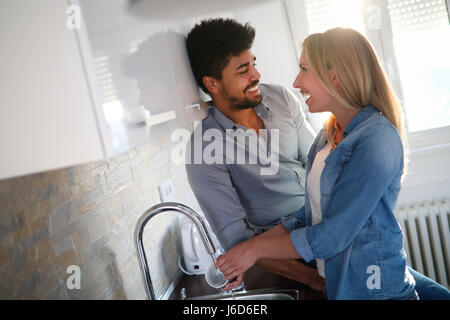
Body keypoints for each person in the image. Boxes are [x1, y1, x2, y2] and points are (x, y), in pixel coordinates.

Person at [216, 27, 450, 299]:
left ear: (334, 76)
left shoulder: (377, 138)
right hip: (342, 286)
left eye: (304, 69)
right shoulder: (329, 133)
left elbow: (332, 236)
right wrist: (250, 248)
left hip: (377, 291)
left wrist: (253, 251)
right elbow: (312, 210)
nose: (296, 82)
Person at [184, 18, 325, 291]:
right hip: (282, 262)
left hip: (324, 229)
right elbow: (237, 240)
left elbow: (316, 161)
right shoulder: (203, 150)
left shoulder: (281, 99)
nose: (256, 75)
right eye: (243, 71)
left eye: (254, 64)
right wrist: (315, 280)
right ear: (212, 84)